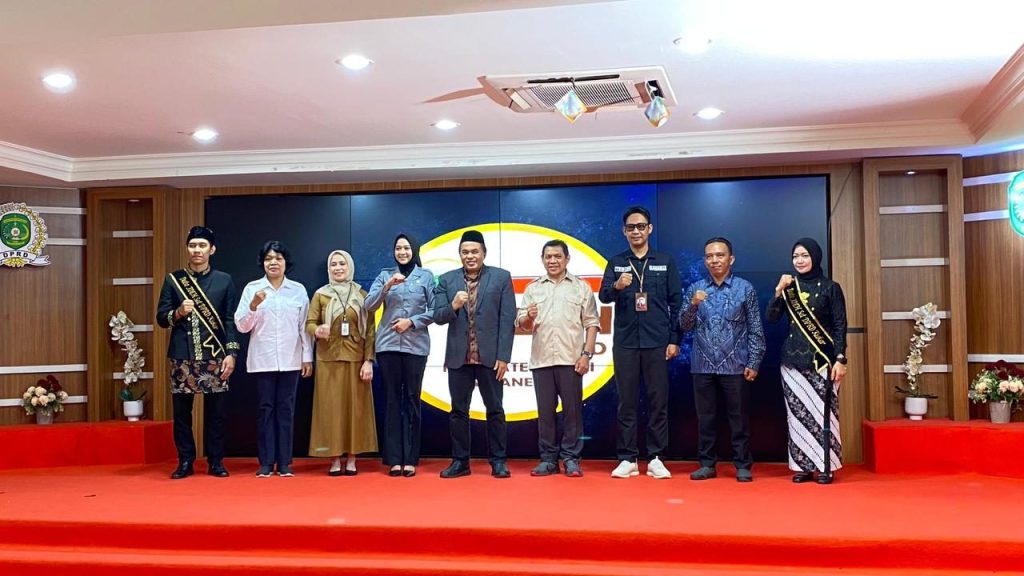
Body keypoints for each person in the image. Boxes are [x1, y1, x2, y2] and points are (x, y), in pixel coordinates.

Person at [598, 206, 682, 479]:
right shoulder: (616, 262)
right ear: (624, 231)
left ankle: (656, 457)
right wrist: (617, 286)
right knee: (626, 402)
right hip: (626, 342)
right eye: (631, 227)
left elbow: (677, 303)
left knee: (658, 401)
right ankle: (628, 458)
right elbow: (603, 296)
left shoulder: (665, 261)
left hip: (657, 341)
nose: (636, 231)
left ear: (650, 229)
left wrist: (674, 339)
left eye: (641, 226)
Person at [156, 226, 240, 479]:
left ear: (211, 250)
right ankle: (185, 461)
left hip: (215, 353)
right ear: (187, 248)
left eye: (202, 245)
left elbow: (229, 319)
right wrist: (178, 313)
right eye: (193, 245)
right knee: (182, 414)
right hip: (183, 354)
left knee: (217, 413)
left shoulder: (224, 280)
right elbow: (161, 318)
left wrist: (231, 353)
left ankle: (216, 461)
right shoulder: (174, 280)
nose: (197, 250)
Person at [680, 237, 765, 483]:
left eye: (720, 255)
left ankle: (742, 464)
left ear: (731, 259)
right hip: (702, 364)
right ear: (705, 260)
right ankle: (707, 464)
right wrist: (693, 305)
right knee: (705, 418)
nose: (714, 260)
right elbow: (684, 326)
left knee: (739, 418)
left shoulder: (745, 288)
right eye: (709, 256)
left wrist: (754, 361)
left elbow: (755, 328)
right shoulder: (695, 289)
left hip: (736, 364)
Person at [432, 230, 515, 479]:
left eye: (474, 251)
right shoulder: (446, 280)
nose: (470, 256)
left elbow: (507, 319)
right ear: (460, 254)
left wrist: (504, 357)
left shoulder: (501, 277)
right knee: (458, 412)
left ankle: (498, 461)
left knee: (495, 410)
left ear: (484, 253)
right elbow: (438, 316)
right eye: (465, 252)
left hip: (490, 358)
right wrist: (454, 305)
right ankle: (460, 462)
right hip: (459, 358)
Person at [765, 238, 848, 485]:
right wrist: (778, 290)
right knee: (798, 416)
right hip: (791, 362)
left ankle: (825, 466)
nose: (799, 261)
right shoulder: (789, 287)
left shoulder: (831, 288)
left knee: (824, 415)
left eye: (804, 255)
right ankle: (802, 466)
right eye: (795, 256)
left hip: (822, 361)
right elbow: (771, 318)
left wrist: (841, 359)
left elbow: (840, 325)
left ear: (815, 257)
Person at [516, 239, 600, 477]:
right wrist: (528, 316)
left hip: (571, 360)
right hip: (541, 360)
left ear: (567, 259)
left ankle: (571, 459)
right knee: (545, 414)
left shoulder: (580, 287)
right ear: (542, 260)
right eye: (548, 257)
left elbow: (592, 323)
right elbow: (522, 324)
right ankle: (548, 460)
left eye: (557, 256)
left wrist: (586, 355)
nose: (552, 261)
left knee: (573, 413)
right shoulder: (533, 288)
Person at [234, 241, 313, 478]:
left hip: (291, 358)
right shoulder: (253, 288)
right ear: (263, 263)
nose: (273, 263)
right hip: (263, 358)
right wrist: (253, 306)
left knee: (286, 409)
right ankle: (266, 462)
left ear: (286, 262)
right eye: (269, 259)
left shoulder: (297, 289)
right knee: (265, 409)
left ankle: (285, 462)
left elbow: (304, 326)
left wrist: (307, 357)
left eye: (278, 258)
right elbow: (241, 326)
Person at [365, 234, 435, 478]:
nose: (402, 252)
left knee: (412, 400)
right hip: (388, 346)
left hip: (416, 347)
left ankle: (410, 458)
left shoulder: (426, 276)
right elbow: (369, 305)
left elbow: (435, 310)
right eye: (398, 248)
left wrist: (412, 322)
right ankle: (394, 459)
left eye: (406, 248)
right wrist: (387, 287)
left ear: (414, 250)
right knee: (393, 401)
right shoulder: (385, 275)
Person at [306, 250, 377, 476]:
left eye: (342, 264)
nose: (338, 268)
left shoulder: (362, 295)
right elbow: (309, 323)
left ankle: (353, 457)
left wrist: (368, 361)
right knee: (331, 411)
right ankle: (334, 458)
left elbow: (371, 331)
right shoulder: (321, 295)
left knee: (355, 411)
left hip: (356, 360)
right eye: (334, 264)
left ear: (350, 267)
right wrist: (317, 330)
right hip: (328, 359)